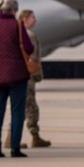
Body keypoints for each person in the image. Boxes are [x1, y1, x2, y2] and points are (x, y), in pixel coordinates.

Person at [0, 0, 34, 158]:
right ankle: (14, 148)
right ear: (12, 10)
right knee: (17, 111)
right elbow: (29, 47)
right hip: (16, 74)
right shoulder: (16, 25)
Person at [12, 9, 51, 148]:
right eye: (32, 17)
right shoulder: (29, 35)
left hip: (17, 74)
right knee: (30, 107)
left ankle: (11, 136)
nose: (35, 20)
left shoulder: (16, 33)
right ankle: (34, 135)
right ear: (24, 19)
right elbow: (32, 58)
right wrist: (37, 74)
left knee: (20, 106)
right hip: (27, 76)